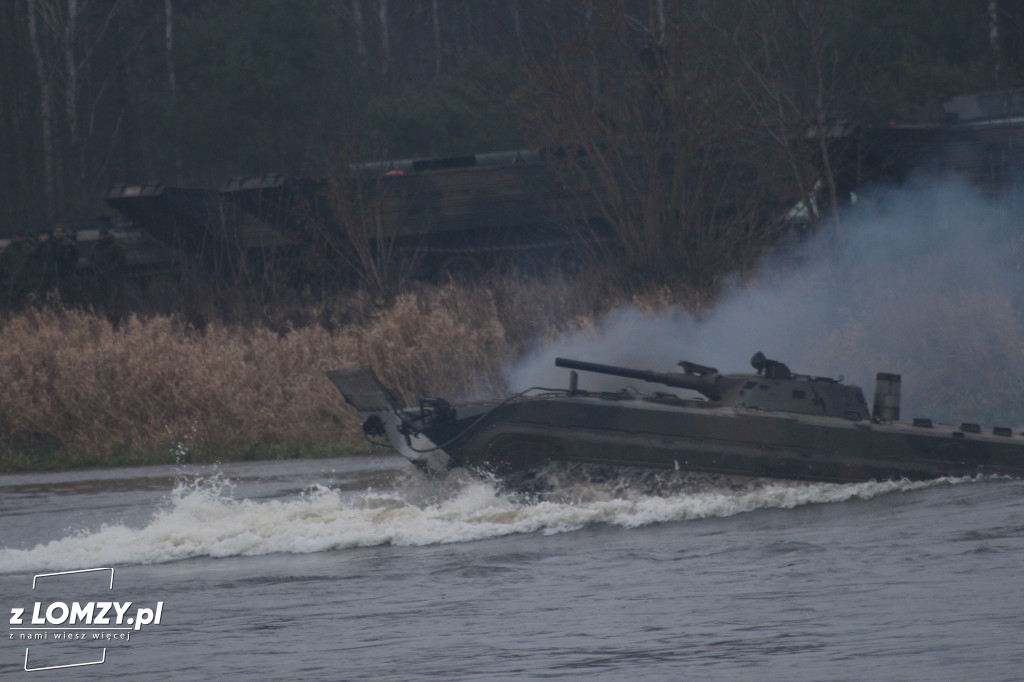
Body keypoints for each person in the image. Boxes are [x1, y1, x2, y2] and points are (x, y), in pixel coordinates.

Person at [90, 226, 126, 311]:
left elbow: (121, 259)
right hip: (101, 277)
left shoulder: (114, 246)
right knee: (104, 300)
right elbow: (92, 260)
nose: (103, 237)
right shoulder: (96, 247)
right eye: (102, 235)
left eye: (105, 235)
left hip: (113, 277)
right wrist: (97, 270)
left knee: (115, 299)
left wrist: (111, 269)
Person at [0, 232, 33, 309]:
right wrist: (7, 271)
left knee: (25, 299)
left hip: (25, 279)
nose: (17, 239)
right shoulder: (8, 249)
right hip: (11, 279)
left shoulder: (28, 249)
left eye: (19, 237)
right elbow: (2, 261)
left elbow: (32, 262)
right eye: (15, 237)